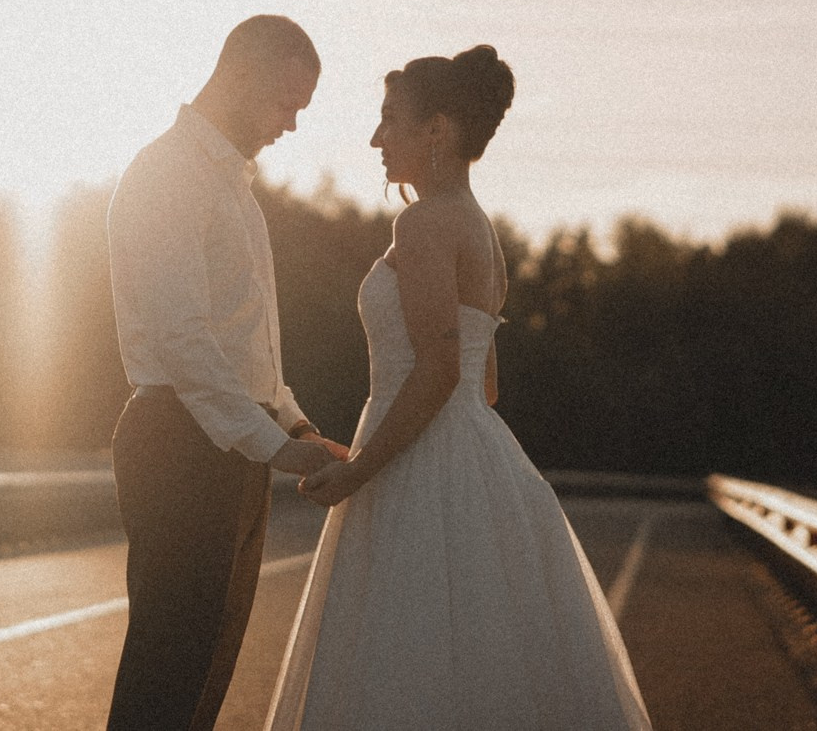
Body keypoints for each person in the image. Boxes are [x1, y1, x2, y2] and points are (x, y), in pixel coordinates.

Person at [265, 45, 652, 731]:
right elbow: (484, 382)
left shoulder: (423, 224)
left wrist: (358, 471)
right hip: (474, 456)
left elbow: (439, 370)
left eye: (390, 121)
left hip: (413, 463)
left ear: (437, 130)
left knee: (402, 659)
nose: (377, 139)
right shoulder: (482, 229)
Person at [105, 15, 353, 731]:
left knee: (202, 680)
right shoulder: (167, 175)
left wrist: (296, 423)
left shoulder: (236, 192)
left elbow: (250, 351)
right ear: (241, 77)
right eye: (287, 104)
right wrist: (273, 445)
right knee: (166, 677)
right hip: (179, 442)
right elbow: (182, 339)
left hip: (228, 443)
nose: (293, 126)